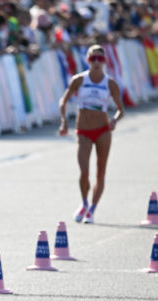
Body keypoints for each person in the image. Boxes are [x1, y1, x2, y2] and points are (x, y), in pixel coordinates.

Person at [58, 45, 124, 224]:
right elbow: (63, 102)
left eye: (100, 59)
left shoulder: (110, 83)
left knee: (100, 172)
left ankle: (92, 210)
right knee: (84, 172)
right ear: (87, 60)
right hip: (83, 131)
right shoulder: (79, 80)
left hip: (103, 131)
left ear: (104, 61)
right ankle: (84, 203)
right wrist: (64, 121)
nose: (96, 62)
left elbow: (120, 110)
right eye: (92, 58)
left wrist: (114, 120)